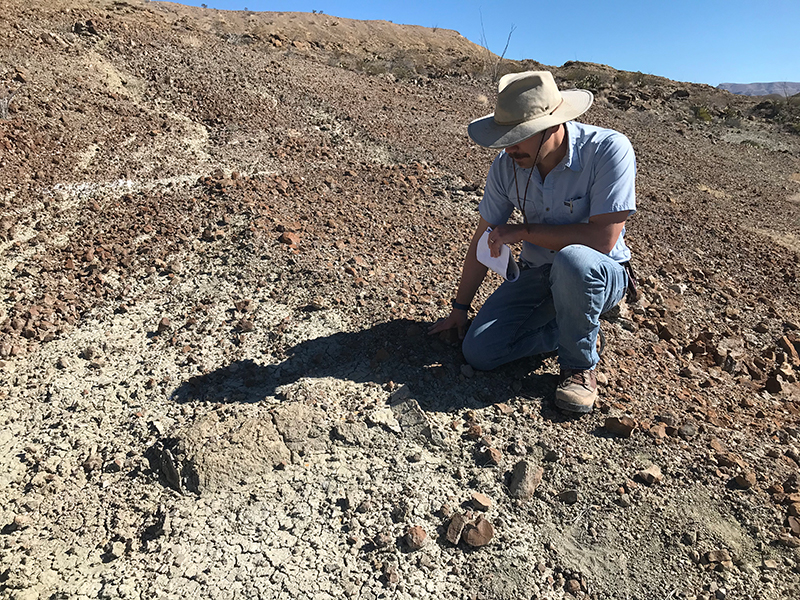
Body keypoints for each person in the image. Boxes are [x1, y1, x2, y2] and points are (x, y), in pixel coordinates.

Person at [428, 70, 637, 413]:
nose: (509, 147)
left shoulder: (607, 151)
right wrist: (459, 309)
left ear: (553, 125)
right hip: (538, 272)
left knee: (575, 261)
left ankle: (579, 367)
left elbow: (603, 239)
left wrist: (523, 232)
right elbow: (484, 236)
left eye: (519, 136)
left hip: (599, 272)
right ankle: (572, 325)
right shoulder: (506, 165)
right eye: (504, 136)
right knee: (480, 352)